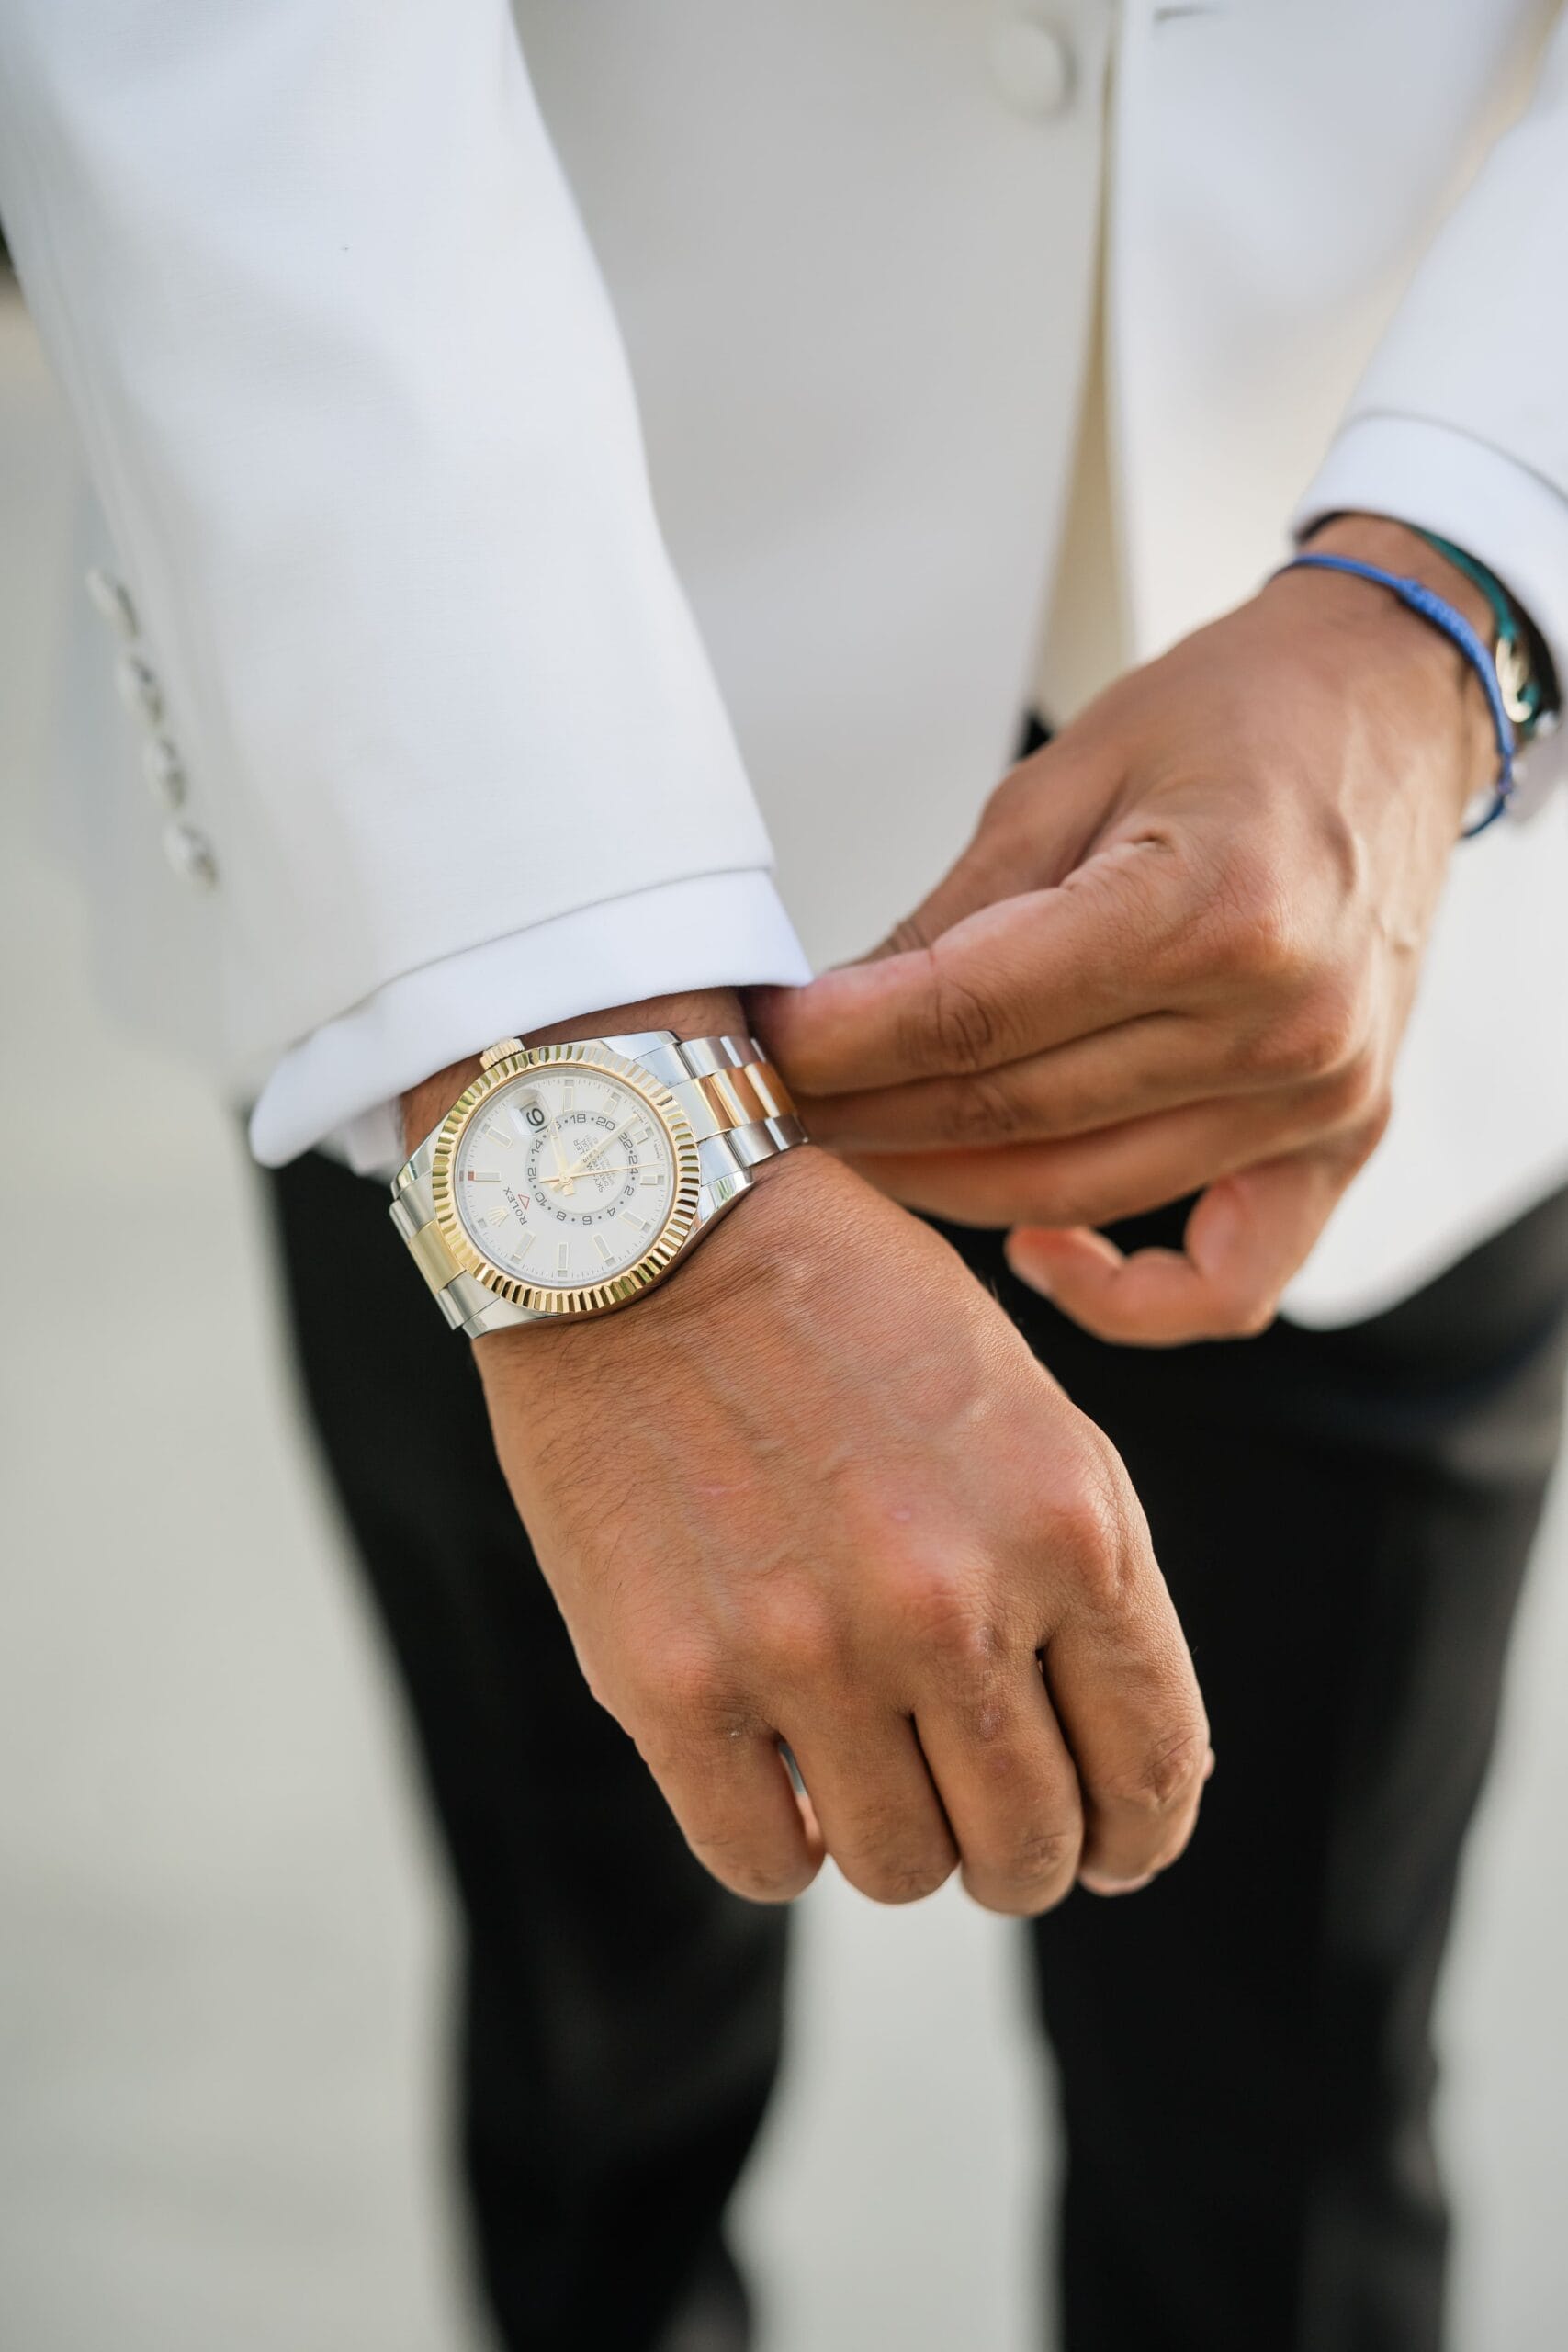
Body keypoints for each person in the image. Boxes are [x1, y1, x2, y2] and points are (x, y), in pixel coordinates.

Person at [4, 5, 1566, 2346]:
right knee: (588, 2022)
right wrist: (561, 1045)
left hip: (1369, 846)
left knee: (1292, 2112)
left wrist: (1463, 579)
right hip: (476, 797)